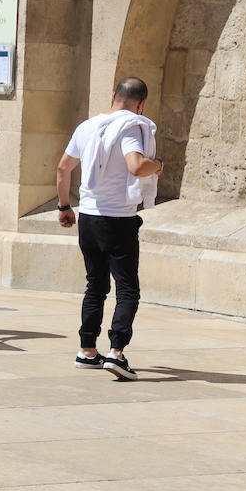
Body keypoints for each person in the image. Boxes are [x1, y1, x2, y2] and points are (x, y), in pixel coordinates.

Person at [55, 77, 162, 382]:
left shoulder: (88, 126)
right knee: (127, 288)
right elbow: (137, 166)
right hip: (118, 219)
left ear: (113, 96)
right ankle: (116, 353)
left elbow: (63, 167)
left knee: (95, 285)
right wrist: (159, 164)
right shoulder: (131, 128)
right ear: (141, 104)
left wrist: (64, 207)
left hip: (88, 217)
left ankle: (87, 350)